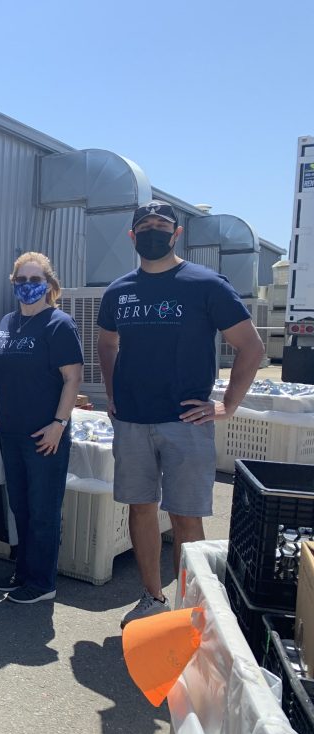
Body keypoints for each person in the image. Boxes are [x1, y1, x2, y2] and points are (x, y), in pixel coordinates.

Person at [97, 201, 264, 629]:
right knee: (140, 509)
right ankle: (152, 599)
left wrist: (227, 405)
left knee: (186, 515)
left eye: (161, 225)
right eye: (145, 226)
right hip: (132, 421)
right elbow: (107, 343)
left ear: (176, 234)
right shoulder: (119, 291)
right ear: (132, 236)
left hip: (186, 422)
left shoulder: (205, 284)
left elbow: (251, 347)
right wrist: (114, 395)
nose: (153, 231)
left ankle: (191, 609)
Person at [0, 252, 84, 604]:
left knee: (43, 509)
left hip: (45, 433)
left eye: (35, 280)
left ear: (48, 284)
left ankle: (42, 582)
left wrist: (59, 423)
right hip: (10, 431)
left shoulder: (58, 324)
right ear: (13, 283)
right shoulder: (7, 322)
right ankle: (23, 571)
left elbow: (72, 378)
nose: (28, 286)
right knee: (21, 507)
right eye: (21, 280)